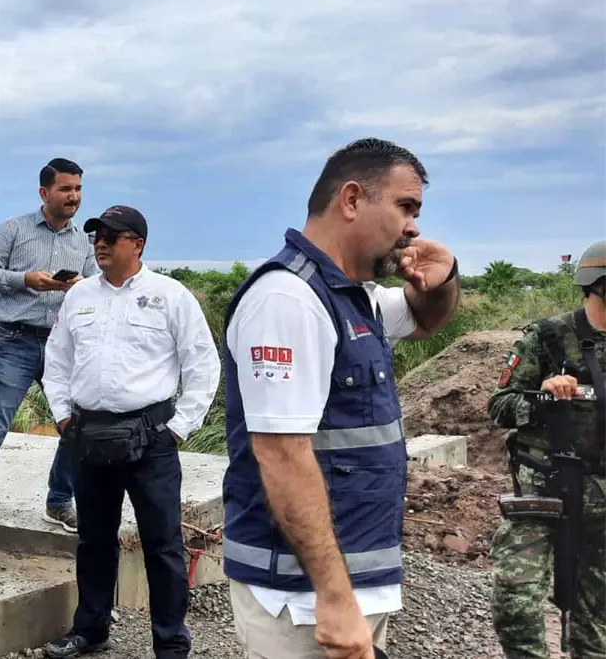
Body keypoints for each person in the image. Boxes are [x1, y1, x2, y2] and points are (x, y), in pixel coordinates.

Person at [219, 137, 460, 659]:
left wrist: (444, 279)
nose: (413, 227)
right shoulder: (288, 299)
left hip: (349, 582)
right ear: (351, 200)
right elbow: (281, 455)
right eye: (405, 206)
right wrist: (333, 595)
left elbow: (424, 319)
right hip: (302, 598)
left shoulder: (353, 296)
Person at [40, 205, 221, 659]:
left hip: (150, 441)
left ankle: (171, 644)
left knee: (163, 546)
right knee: (94, 541)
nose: (100, 243)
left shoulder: (170, 295)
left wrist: (178, 428)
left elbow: (202, 363)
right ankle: (91, 630)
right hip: (89, 437)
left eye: (112, 236)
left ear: (137, 244)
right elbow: (57, 360)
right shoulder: (79, 297)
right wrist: (63, 417)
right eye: (96, 236)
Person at [0, 157, 98, 569]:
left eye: (78, 189)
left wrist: (79, 285)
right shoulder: (13, 229)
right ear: (44, 192)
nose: (73, 196)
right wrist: (26, 280)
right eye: (66, 189)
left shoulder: (83, 242)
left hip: (61, 345)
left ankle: (59, 501)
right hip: (14, 341)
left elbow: (96, 287)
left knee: (76, 426)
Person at [486, 240, 606, 659]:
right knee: (515, 600)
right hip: (547, 489)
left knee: (597, 630)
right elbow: (499, 406)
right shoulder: (549, 337)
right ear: (597, 284)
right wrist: (543, 397)